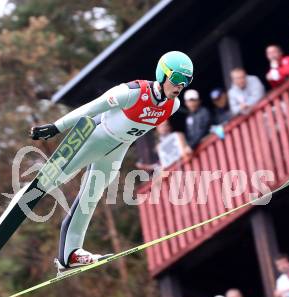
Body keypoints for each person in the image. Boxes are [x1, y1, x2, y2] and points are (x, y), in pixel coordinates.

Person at [29, 51, 193, 272]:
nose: (180, 85)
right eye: (176, 79)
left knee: (91, 196)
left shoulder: (171, 106)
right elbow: (92, 108)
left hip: (117, 150)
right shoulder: (132, 92)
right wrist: (57, 127)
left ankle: (69, 255)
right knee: (52, 180)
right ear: (162, 75)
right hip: (97, 137)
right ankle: (15, 207)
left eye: (186, 81)